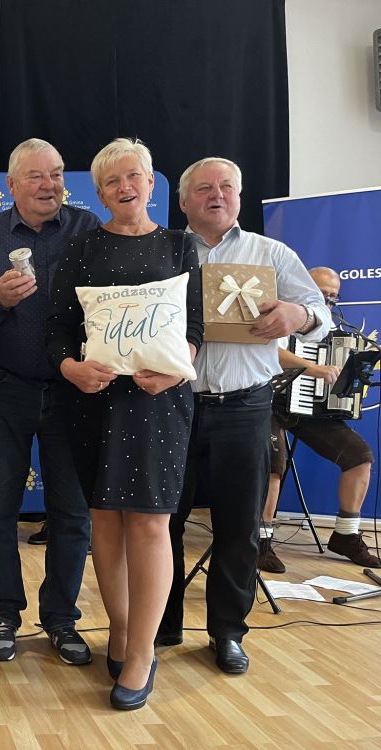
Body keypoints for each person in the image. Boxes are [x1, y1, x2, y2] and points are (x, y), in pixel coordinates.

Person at [46, 139, 203, 710]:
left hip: (159, 403)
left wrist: (179, 366)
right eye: (111, 181)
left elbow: (195, 328)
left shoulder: (180, 245)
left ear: (152, 183)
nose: (124, 187)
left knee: (152, 525)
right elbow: (58, 330)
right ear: (99, 193)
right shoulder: (81, 247)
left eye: (133, 176)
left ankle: (141, 652)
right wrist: (71, 368)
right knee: (105, 522)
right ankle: (119, 628)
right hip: (95, 401)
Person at [158, 158, 331, 675]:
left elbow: (319, 316)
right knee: (161, 524)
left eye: (227, 186)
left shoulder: (271, 253)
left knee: (238, 527)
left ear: (239, 196)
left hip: (245, 406)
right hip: (173, 405)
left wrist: (298, 314)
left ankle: (228, 633)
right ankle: (161, 626)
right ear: (183, 201)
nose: (217, 194)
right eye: (204, 188)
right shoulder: (163, 251)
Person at [0, 138, 100, 665]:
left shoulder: (88, 228)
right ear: (12, 185)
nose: (49, 185)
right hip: (5, 388)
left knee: (73, 512)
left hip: (74, 391)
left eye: (57, 174)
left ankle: (61, 618)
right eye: (37, 176)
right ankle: (3, 614)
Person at [258, 266, 378, 573]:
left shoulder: (332, 328)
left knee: (360, 456)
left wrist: (352, 380)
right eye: (321, 293)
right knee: (273, 466)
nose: (327, 301)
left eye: (333, 297)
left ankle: (346, 535)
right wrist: (313, 368)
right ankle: (261, 540)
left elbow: (339, 373)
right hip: (269, 402)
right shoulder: (279, 312)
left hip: (311, 410)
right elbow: (272, 351)